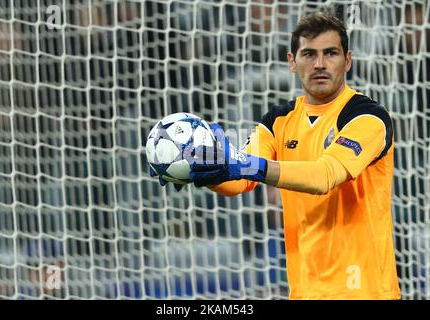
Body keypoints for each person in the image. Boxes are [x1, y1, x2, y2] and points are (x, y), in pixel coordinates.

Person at [152, 9, 401, 300]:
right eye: (308, 54)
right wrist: (203, 169)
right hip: (305, 291)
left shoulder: (368, 117)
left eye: (330, 53)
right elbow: (239, 181)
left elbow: (325, 175)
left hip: (366, 291)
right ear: (292, 63)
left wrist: (247, 166)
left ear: (347, 61)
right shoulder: (278, 121)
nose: (320, 64)